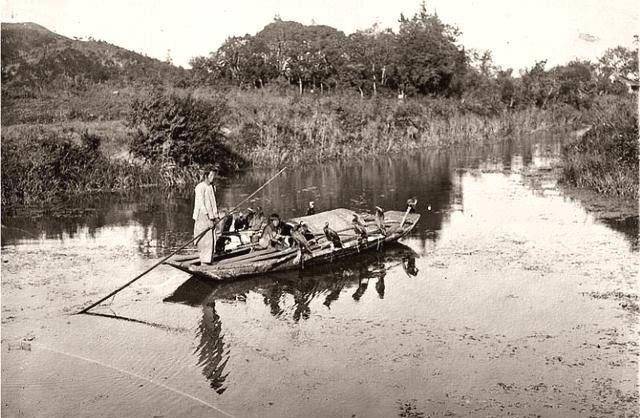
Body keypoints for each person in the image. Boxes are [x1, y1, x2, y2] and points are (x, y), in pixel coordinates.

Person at [193, 170, 219, 264]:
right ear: (206, 175)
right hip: (202, 216)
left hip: (211, 217)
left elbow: (213, 203)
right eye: (211, 175)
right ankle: (204, 261)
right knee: (204, 239)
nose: (213, 177)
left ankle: (209, 260)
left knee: (212, 239)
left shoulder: (212, 187)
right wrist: (208, 219)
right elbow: (201, 205)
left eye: (214, 175)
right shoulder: (200, 187)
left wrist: (216, 216)